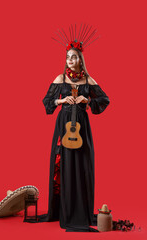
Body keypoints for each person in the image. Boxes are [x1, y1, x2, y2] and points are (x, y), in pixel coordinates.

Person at [37, 36, 110, 232]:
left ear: (80, 60)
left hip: (82, 127)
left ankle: (83, 211)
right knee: (65, 165)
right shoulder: (60, 79)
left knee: (83, 166)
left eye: (74, 57)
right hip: (64, 126)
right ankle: (66, 211)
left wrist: (86, 100)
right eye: (68, 57)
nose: (70, 60)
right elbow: (46, 101)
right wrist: (61, 101)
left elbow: (104, 99)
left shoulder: (88, 79)